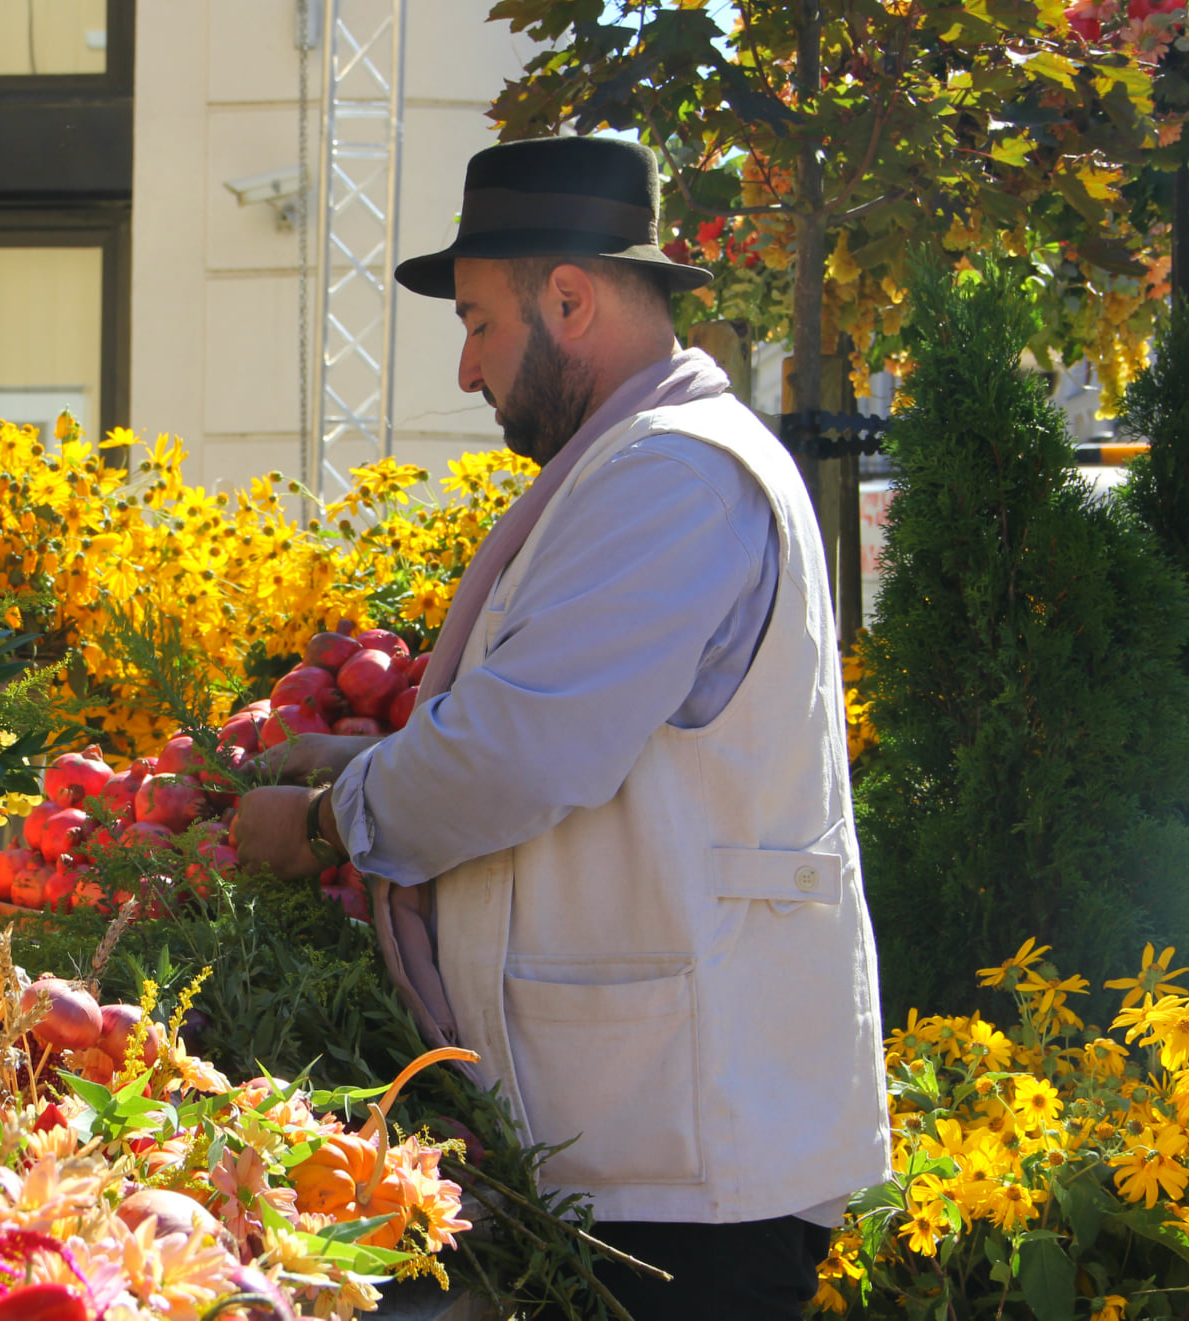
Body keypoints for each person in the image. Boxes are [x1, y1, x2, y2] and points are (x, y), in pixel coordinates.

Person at [232, 136, 888, 1319]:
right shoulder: (651, 465)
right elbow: (547, 728)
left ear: (571, 298)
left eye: (481, 321)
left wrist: (332, 817)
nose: (472, 368)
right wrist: (372, 760)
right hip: (657, 1143)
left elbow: (520, 751)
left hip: (685, 1170)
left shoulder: (673, 476)